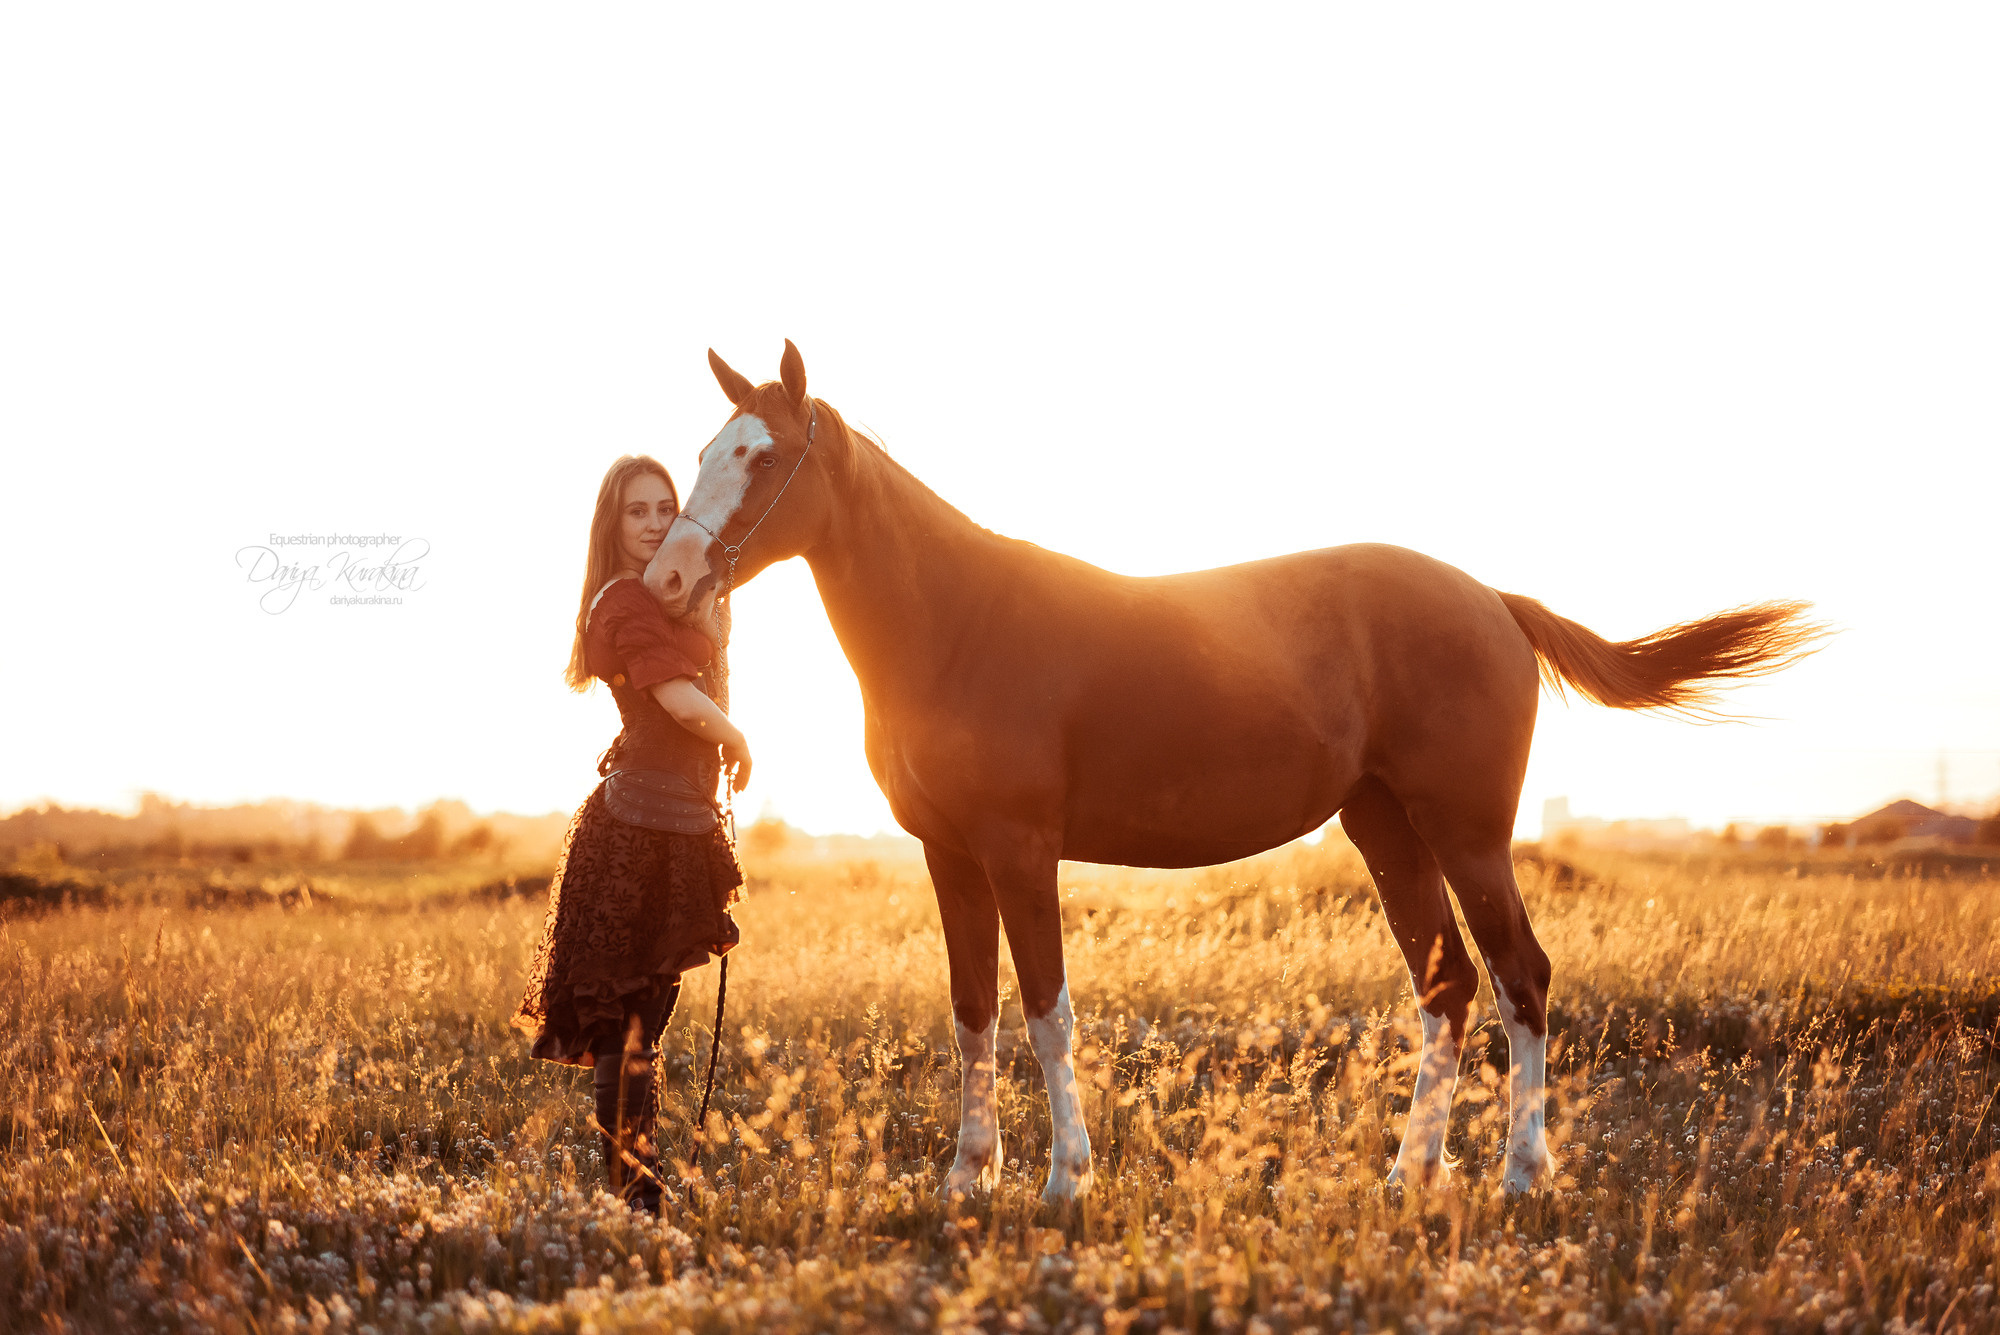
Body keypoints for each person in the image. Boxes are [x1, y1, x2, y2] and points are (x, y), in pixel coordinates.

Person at [511, 453, 752, 1214]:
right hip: (633, 832)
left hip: (675, 822)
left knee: (647, 1019)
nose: (653, 523)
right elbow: (679, 700)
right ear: (611, 525)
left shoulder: (660, 598)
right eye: (636, 511)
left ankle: (638, 1189)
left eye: (663, 508)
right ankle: (631, 1195)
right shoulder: (621, 600)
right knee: (624, 1024)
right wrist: (737, 738)